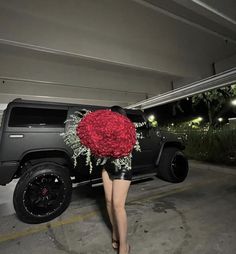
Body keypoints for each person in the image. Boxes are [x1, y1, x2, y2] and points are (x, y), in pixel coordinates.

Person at [102, 105, 131, 254]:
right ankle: (115, 232)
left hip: (123, 167)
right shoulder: (105, 131)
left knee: (118, 205)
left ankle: (124, 246)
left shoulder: (128, 130)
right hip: (108, 167)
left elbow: (127, 149)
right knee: (109, 202)